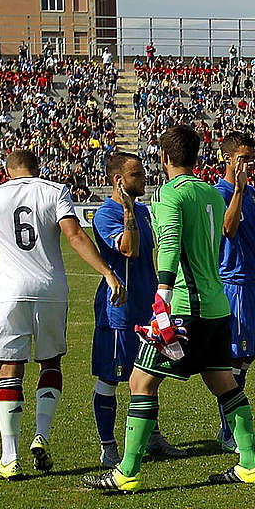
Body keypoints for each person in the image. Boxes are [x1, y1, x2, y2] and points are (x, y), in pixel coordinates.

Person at [84, 125, 255, 491]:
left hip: (183, 305)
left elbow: (169, 244)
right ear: (197, 157)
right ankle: (249, 463)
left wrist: (162, 293)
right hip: (216, 304)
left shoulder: (169, 194)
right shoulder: (213, 193)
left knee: (140, 381)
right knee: (224, 382)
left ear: (164, 158)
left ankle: (126, 473)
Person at [0, 150, 127, 481]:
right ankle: (42, 434)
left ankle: (9, 458)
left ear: (7, 170)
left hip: (11, 291)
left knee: (9, 368)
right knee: (50, 362)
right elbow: (75, 236)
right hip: (52, 291)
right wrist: (108, 273)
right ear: (38, 168)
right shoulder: (54, 191)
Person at [89, 152, 185, 468]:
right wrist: (128, 210)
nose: (144, 179)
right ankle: (108, 448)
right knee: (110, 379)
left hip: (147, 308)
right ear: (119, 180)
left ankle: (153, 436)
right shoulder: (105, 215)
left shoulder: (144, 211)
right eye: (137, 176)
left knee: (150, 376)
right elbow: (128, 249)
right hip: (119, 311)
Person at [214, 132, 255, 453]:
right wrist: (238, 189)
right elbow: (227, 229)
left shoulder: (252, 194)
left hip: (251, 282)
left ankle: (227, 427)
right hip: (230, 283)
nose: (249, 165)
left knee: (246, 356)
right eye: (243, 158)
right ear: (226, 159)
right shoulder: (218, 193)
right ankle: (230, 432)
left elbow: (251, 239)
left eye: (252, 159)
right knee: (233, 357)